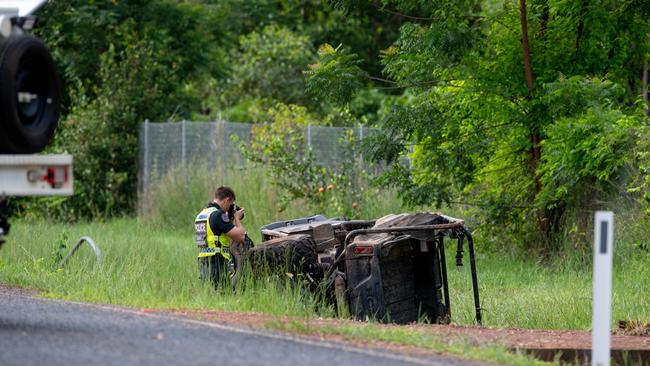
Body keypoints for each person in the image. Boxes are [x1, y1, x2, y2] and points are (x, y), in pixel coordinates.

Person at [194, 186, 246, 284]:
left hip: (204, 262)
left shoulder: (202, 215)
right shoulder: (218, 215)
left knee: (210, 296)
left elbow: (215, 234)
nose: (228, 209)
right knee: (224, 295)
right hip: (217, 262)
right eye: (230, 205)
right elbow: (241, 237)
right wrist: (237, 218)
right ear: (227, 200)